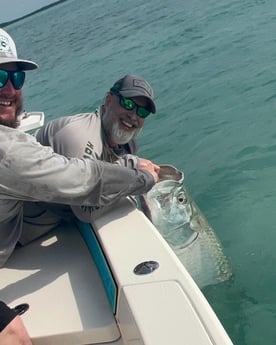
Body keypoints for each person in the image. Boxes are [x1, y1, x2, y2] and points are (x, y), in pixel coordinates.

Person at [0, 27, 159, 266]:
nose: (10, 89)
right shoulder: (8, 150)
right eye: (0, 77)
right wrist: (141, 177)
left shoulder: (122, 142)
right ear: (107, 101)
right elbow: (85, 193)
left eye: (17, 77)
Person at [28, 74, 157, 230]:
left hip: (57, 221)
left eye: (142, 112)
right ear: (108, 101)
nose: (134, 115)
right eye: (128, 103)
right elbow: (85, 211)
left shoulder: (125, 143)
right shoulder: (79, 136)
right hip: (20, 232)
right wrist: (134, 174)